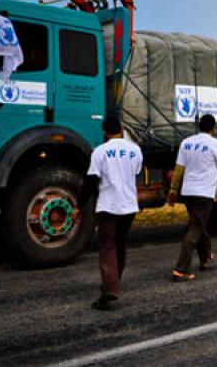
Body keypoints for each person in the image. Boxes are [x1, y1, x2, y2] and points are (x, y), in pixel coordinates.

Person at [76, 115, 142, 310]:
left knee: (107, 247)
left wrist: (78, 205)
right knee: (120, 245)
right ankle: (114, 282)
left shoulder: (100, 152)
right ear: (121, 128)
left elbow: (90, 181)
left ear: (104, 132)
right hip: (129, 206)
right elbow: (135, 173)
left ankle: (110, 288)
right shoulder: (135, 150)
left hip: (108, 206)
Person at [168, 114, 217, 281]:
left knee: (198, 224)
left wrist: (173, 190)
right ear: (213, 128)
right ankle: (181, 268)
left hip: (188, 192)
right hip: (204, 194)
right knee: (195, 228)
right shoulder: (216, 144)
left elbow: (178, 170)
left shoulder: (187, 142)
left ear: (199, 126)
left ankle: (205, 256)